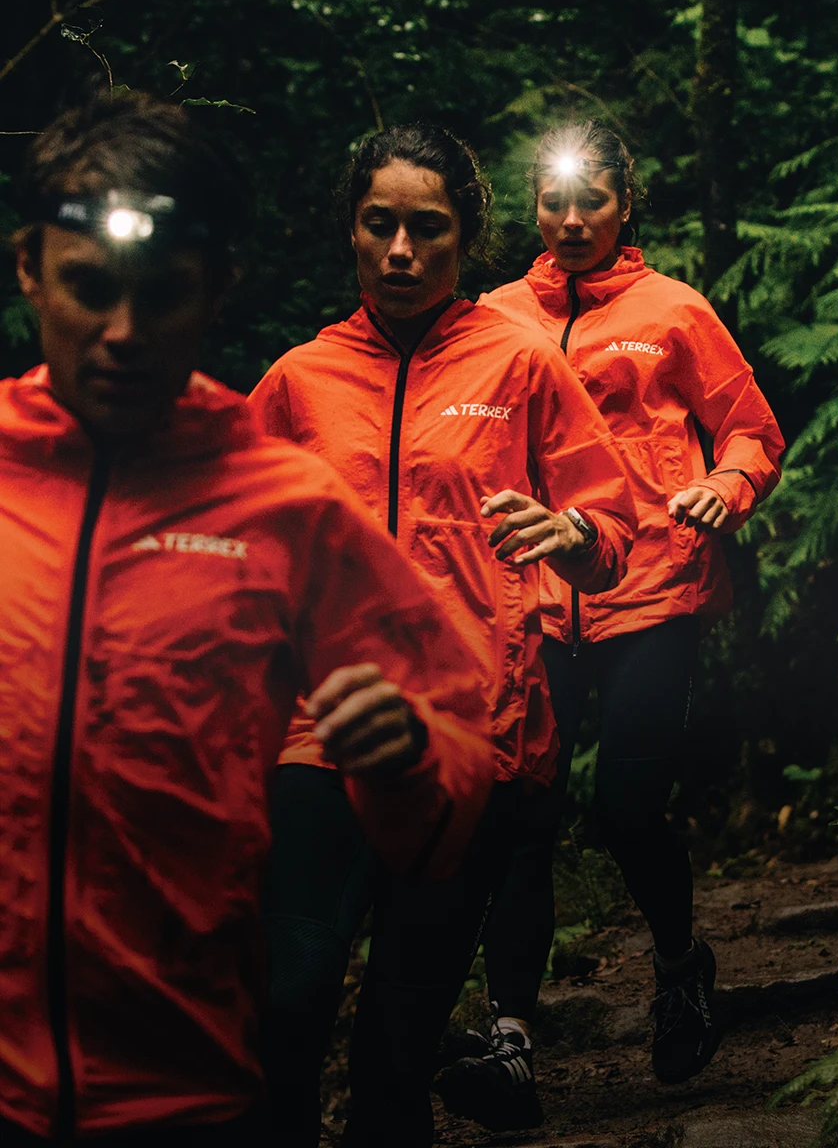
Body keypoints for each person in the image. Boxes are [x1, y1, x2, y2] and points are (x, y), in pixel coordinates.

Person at [0, 90, 496, 1146]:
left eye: (162, 295)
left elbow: (457, 739)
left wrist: (405, 752)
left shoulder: (283, 506)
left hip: (192, 1087)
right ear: (30, 269)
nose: (123, 333)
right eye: (89, 289)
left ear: (218, 286)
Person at [248, 123, 637, 1147]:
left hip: (466, 744)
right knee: (285, 1005)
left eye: (428, 228)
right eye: (380, 225)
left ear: (467, 237)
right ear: (352, 230)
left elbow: (613, 527)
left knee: (395, 1051)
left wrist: (577, 531)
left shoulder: (518, 365)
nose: (401, 251)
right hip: (316, 732)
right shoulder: (296, 381)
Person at [434, 119, 785, 1130]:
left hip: (653, 593)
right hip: (531, 604)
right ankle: (510, 1043)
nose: (574, 217)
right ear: (534, 210)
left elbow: (749, 428)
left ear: (625, 205)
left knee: (627, 808)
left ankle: (680, 968)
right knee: (521, 825)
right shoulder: (493, 318)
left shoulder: (671, 309)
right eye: (555, 200)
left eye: (593, 198)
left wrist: (729, 484)